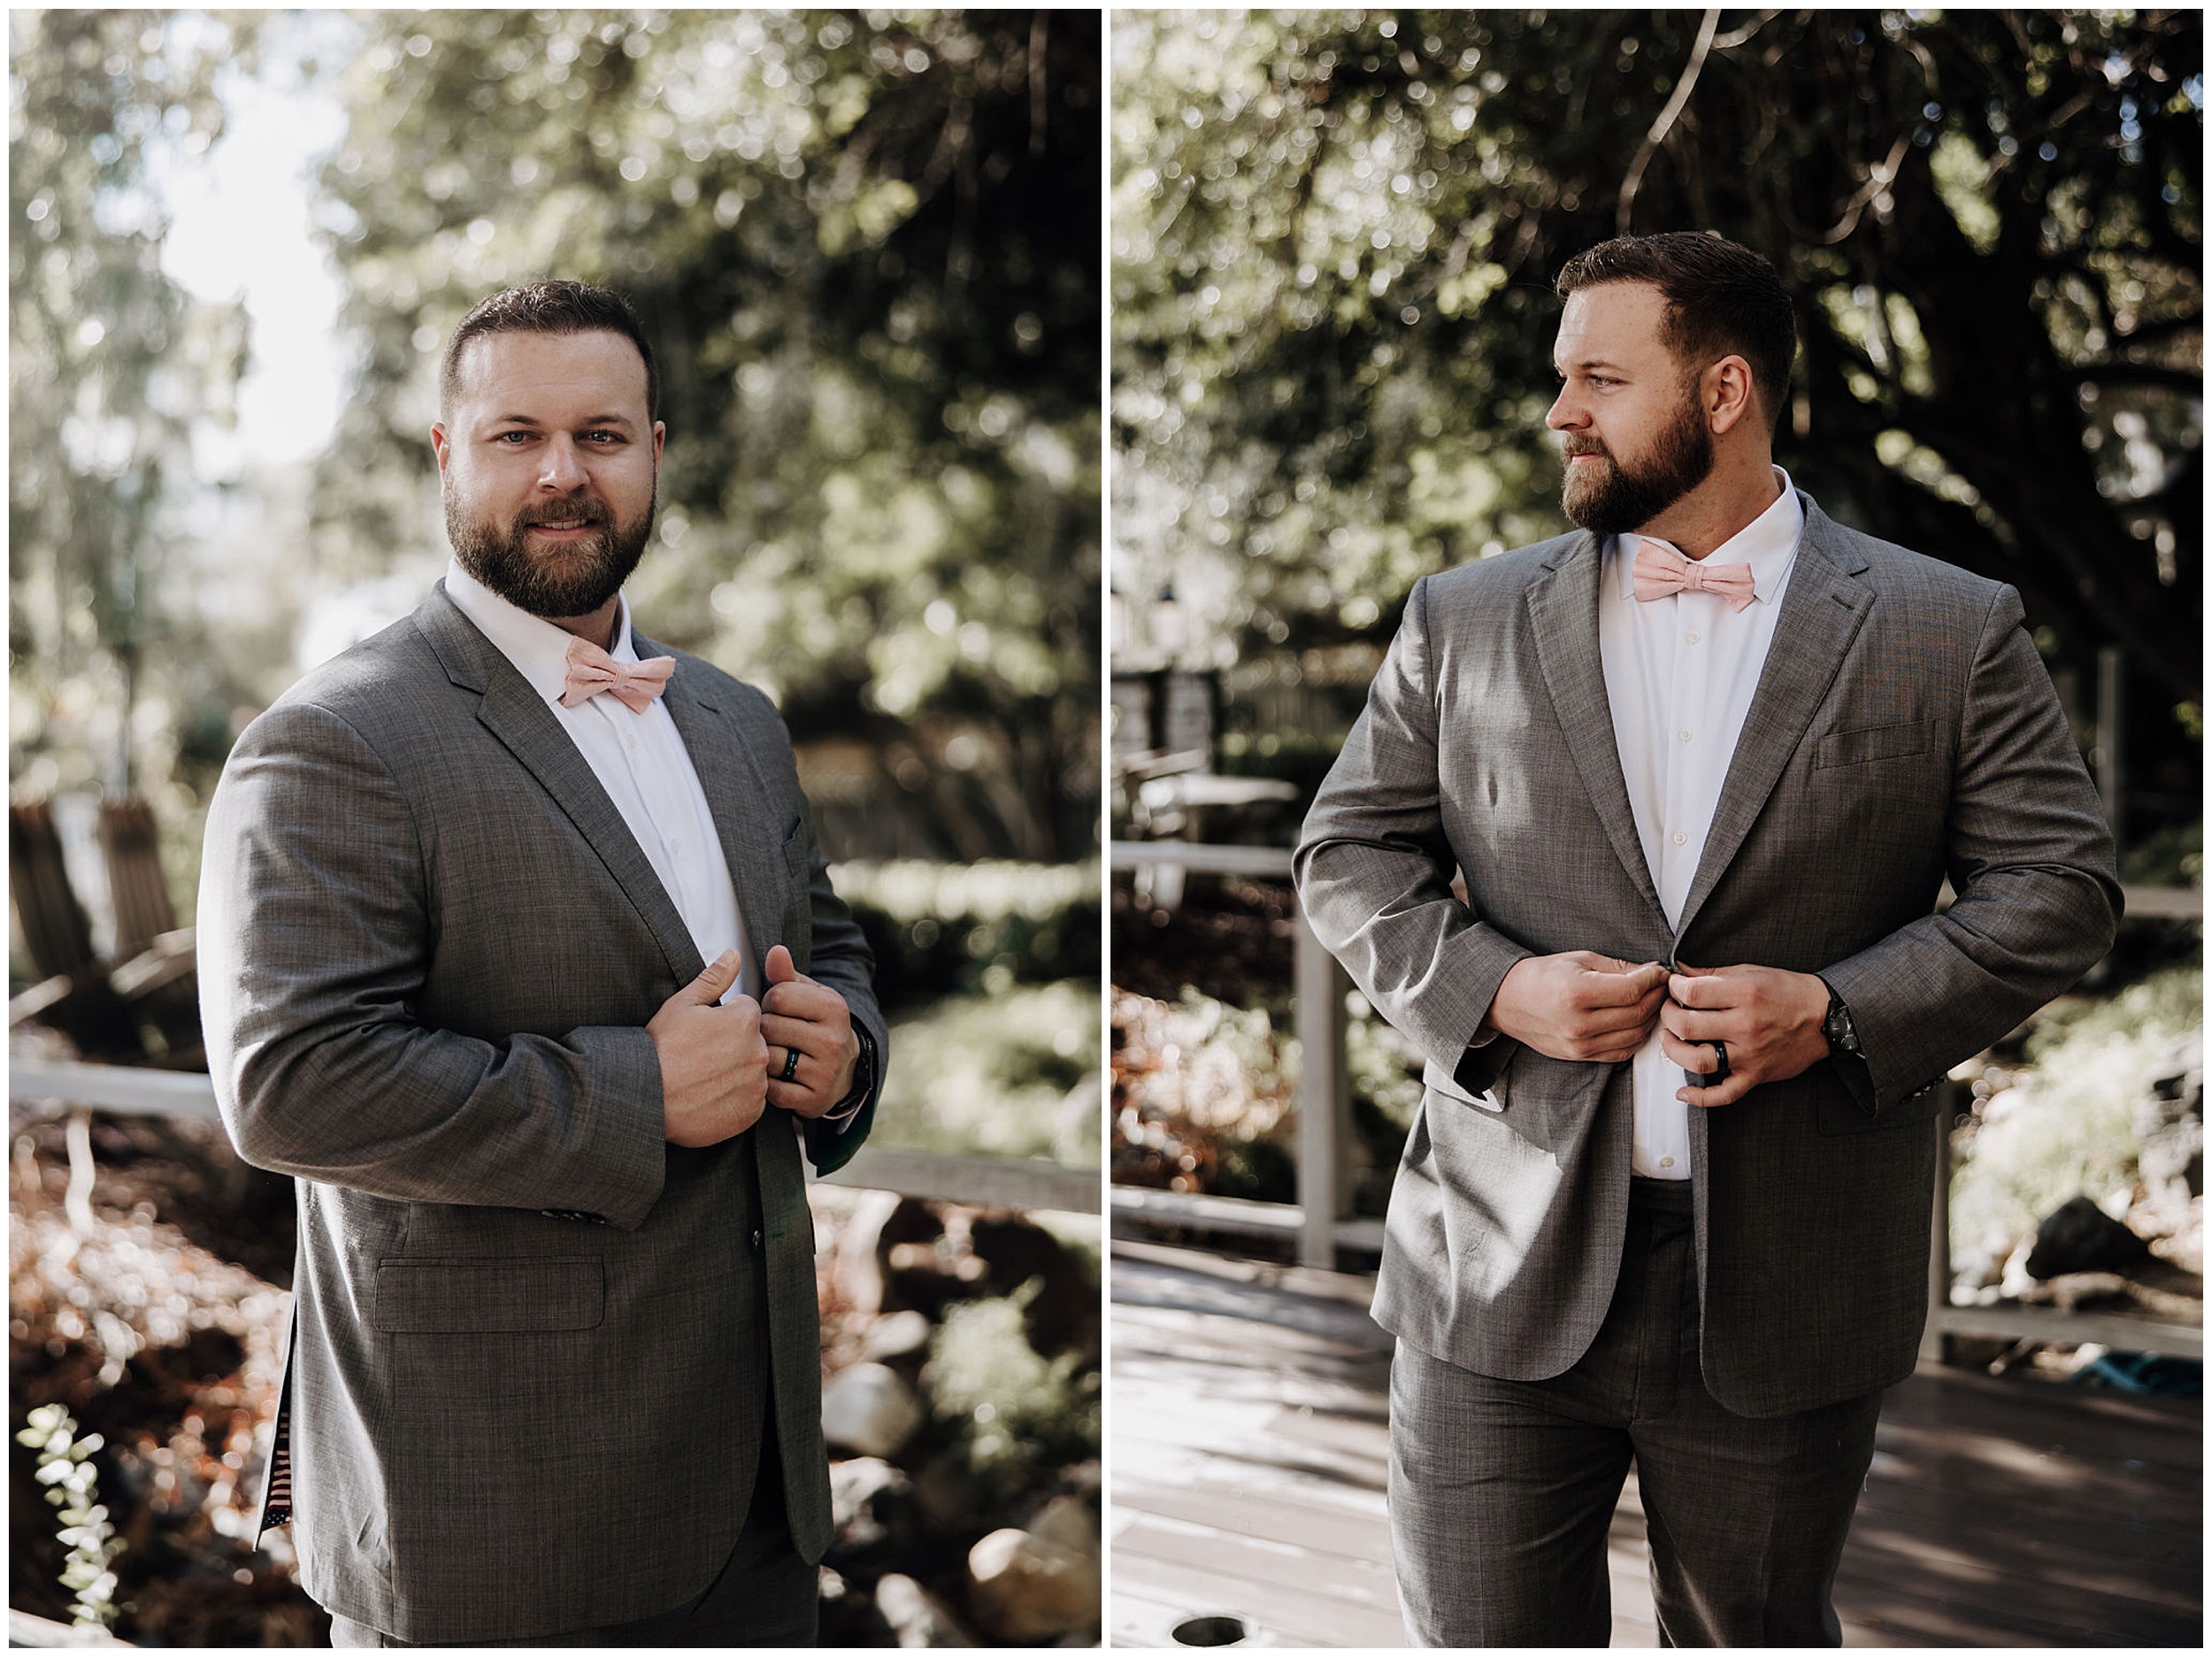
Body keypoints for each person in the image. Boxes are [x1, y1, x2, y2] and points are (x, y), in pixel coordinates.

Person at [1294, 232, 2119, 1647]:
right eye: (1564, 379)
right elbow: (1345, 851)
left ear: (1725, 389)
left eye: (1601, 379)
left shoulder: (1950, 627)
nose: (1563, 413)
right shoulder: (1465, 617)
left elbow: (2061, 885)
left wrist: (1839, 1009)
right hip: (1498, 1265)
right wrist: (1500, 990)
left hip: (1788, 1283)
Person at [199, 280, 886, 1647]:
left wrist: (843, 1040)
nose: (564, 473)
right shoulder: (334, 737)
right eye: (517, 434)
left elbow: (833, 939)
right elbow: (288, 1084)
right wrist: (636, 1090)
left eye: (604, 435)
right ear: (449, 455)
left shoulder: (738, 722)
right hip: (494, 1519)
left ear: (655, 452)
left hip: (757, 1497)